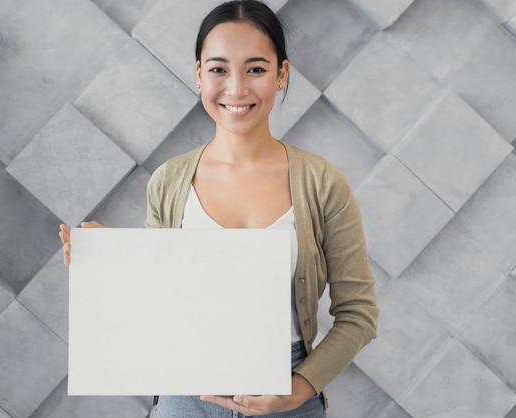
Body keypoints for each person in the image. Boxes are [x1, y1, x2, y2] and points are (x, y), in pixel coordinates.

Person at [59, 1, 378, 416]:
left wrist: (299, 389)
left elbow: (359, 314)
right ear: (198, 75)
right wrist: (115, 264)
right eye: (218, 69)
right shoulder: (169, 181)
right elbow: (162, 302)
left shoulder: (322, 183)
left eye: (256, 69)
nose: (237, 88)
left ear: (282, 74)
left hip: (288, 395)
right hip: (185, 397)